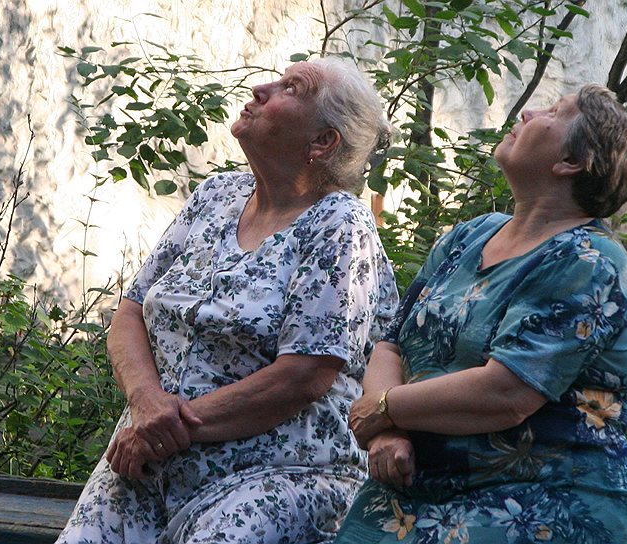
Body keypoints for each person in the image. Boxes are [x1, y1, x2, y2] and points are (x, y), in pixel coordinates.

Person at [57, 57, 399, 544]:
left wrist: (169, 428)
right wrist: (145, 401)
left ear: (322, 142)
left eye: (291, 88)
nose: (261, 88)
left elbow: (305, 374)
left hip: (277, 473)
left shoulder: (340, 224)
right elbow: (131, 310)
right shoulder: (216, 196)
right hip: (146, 457)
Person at [337, 84, 627, 544]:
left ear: (570, 162)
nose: (528, 112)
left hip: (536, 499)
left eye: (554, 111)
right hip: (412, 484)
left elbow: (505, 393)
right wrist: (386, 433)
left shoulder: (588, 260)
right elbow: (391, 344)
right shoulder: (470, 235)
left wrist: (383, 409)